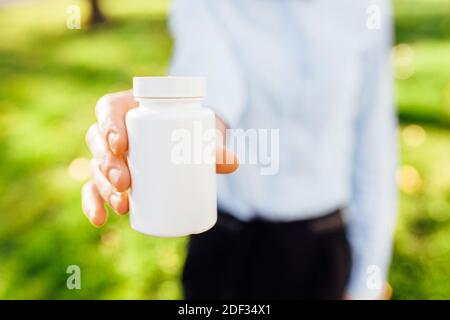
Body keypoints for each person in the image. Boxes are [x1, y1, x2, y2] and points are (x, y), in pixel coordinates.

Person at [82, 0, 397, 300]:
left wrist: (368, 278)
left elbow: (374, 140)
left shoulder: (365, 9)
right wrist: (169, 119)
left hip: (320, 247)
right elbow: (208, 83)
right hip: (226, 246)